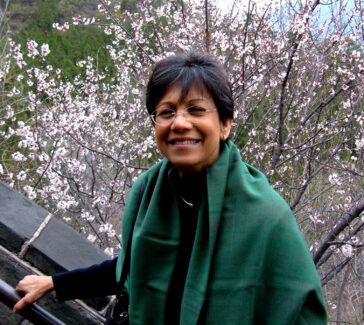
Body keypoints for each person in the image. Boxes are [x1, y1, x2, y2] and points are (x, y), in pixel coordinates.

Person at [13, 51, 327, 324]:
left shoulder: (265, 215)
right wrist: (55, 283)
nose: (179, 123)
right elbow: (133, 269)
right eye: (167, 112)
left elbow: (299, 307)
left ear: (225, 124)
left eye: (196, 110)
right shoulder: (152, 193)